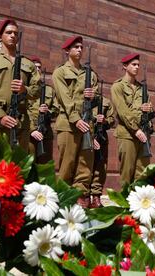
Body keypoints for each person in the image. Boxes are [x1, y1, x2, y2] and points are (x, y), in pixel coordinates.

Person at [52, 35, 99, 208]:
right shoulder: (60, 72)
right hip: (69, 125)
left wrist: (94, 97)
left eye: (81, 47)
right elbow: (65, 98)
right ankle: (63, 200)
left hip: (87, 124)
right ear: (67, 50)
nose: (79, 50)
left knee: (84, 166)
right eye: (75, 47)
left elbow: (97, 101)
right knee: (67, 164)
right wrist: (76, 119)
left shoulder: (91, 74)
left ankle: (80, 198)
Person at [0, 19, 40, 153]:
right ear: (0, 36)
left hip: (20, 122)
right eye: (8, 32)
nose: (13, 35)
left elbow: (37, 90)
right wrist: (1, 115)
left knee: (18, 168)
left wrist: (24, 89)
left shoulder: (28, 64)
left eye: (15, 33)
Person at [111, 53, 155, 185]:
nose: (137, 67)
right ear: (125, 66)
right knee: (127, 171)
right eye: (133, 64)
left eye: (138, 65)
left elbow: (150, 110)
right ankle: (124, 201)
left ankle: (138, 203)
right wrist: (136, 130)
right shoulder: (117, 86)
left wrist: (149, 110)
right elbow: (122, 111)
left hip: (143, 133)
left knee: (142, 172)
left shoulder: (143, 89)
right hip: (127, 134)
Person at [28, 56, 58, 164]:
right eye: (34, 67)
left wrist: (48, 112)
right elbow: (21, 110)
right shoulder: (24, 89)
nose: (37, 70)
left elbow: (56, 109)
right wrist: (32, 130)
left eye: (39, 67)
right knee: (29, 166)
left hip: (45, 131)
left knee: (45, 166)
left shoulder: (49, 90)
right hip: (28, 133)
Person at [89, 91, 115, 208]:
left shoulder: (106, 101)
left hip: (101, 136)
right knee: (84, 166)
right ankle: (83, 196)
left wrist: (105, 121)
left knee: (100, 167)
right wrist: (90, 137)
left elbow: (112, 120)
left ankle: (96, 196)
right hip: (86, 135)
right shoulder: (81, 99)